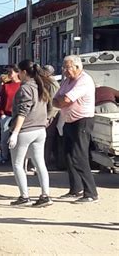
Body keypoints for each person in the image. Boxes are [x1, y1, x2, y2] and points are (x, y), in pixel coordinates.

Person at [53, 55, 98, 203]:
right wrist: (61, 102)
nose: (65, 71)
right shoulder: (67, 81)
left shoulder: (84, 80)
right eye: (64, 67)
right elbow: (56, 99)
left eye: (68, 67)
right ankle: (75, 189)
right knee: (68, 155)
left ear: (78, 67)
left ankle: (91, 193)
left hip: (82, 121)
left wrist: (62, 102)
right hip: (69, 121)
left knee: (79, 156)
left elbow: (66, 100)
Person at [8, 59, 52, 207]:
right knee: (40, 163)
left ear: (24, 72)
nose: (18, 74)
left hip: (25, 130)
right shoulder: (41, 86)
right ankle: (45, 195)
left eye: (19, 71)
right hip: (40, 129)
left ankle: (24, 196)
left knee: (18, 164)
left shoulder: (25, 89)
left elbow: (22, 112)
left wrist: (15, 132)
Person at [0, 64, 21, 166]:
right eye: (8, 72)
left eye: (11, 72)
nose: (9, 74)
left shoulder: (22, 85)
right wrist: (1, 113)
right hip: (6, 114)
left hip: (19, 115)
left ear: (17, 73)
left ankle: (18, 158)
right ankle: (4, 157)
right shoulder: (6, 86)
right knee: (4, 137)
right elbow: (0, 100)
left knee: (19, 138)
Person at [42, 65, 61, 170]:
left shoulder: (52, 84)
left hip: (52, 115)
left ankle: (45, 161)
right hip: (49, 114)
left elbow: (54, 103)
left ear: (48, 73)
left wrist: (48, 117)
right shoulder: (48, 83)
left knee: (48, 138)